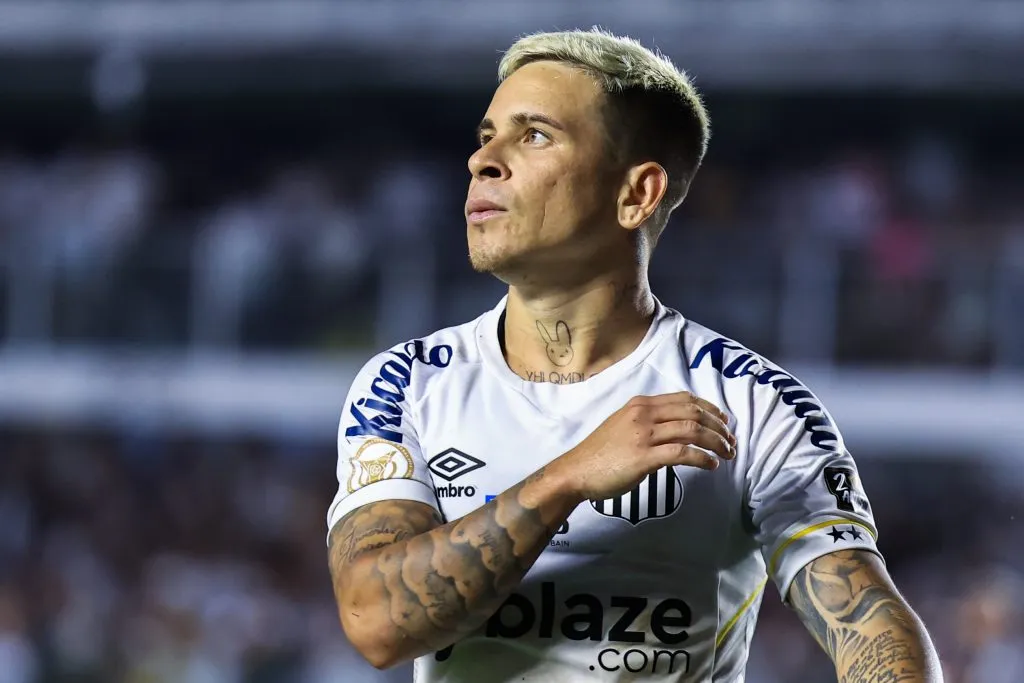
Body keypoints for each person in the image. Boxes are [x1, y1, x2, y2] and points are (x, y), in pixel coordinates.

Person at [326, 28, 942, 682]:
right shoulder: (407, 383)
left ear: (636, 194)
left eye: (534, 135)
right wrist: (571, 475)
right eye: (486, 137)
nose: (484, 161)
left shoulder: (755, 403)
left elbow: (872, 627)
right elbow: (376, 622)